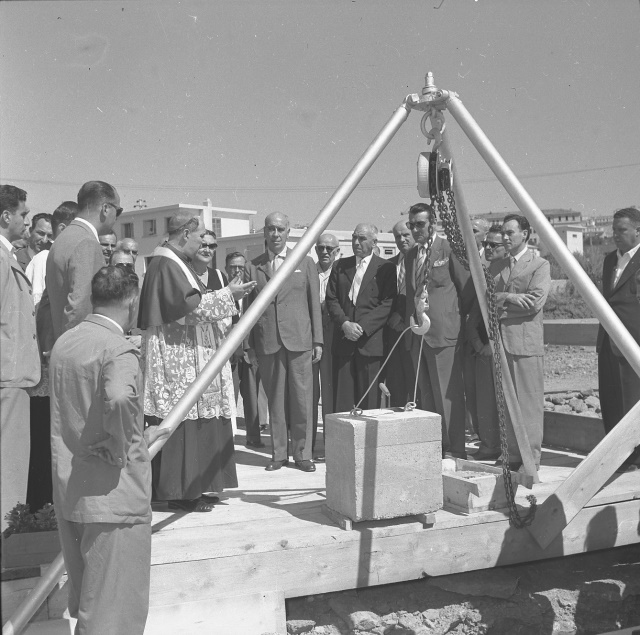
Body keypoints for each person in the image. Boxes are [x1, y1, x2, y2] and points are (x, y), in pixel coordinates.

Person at [50, 265, 168, 634]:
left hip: (73, 492)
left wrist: (127, 433)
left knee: (91, 607)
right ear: (132, 301)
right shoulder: (118, 348)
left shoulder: (66, 342)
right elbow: (118, 397)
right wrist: (121, 443)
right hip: (115, 497)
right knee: (113, 616)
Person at [138, 212, 254, 511]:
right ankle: (182, 492)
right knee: (181, 419)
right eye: (200, 235)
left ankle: (196, 487)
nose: (203, 242)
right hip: (177, 358)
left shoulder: (176, 261)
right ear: (185, 233)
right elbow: (189, 308)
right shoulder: (166, 262)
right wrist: (229, 295)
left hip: (191, 354)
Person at [244, 212, 323, 472]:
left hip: (300, 341)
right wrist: (249, 346)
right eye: (270, 229)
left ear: (288, 232)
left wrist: (318, 340)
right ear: (264, 232)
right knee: (276, 401)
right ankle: (278, 454)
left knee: (302, 400)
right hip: (268, 342)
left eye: (280, 229)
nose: (275, 234)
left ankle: (303, 453)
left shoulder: (305, 262)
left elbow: (314, 304)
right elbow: (248, 310)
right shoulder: (253, 266)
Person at [404, 203, 473, 459]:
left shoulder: (449, 247)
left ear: (432, 223)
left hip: (444, 333)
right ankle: (436, 446)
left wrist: (453, 320)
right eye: (411, 225)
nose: (415, 230)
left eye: (420, 224)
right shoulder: (412, 255)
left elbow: (467, 290)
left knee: (447, 393)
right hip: (419, 334)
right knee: (426, 395)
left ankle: (455, 449)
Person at [24, 201, 78, 513]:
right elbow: (39, 309)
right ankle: (41, 501)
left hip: (52, 357)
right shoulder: (46, 258)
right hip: (46, 362)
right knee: (44, 431)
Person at [490, 213, 550, 470]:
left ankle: (531, 458)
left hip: (525, 343)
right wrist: (510, 297)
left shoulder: (539, 265)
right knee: (506, 400)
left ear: (524, 234)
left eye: (510, 232)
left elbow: (534, 302)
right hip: (500, 342)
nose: (505, 237)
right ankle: (513, 454)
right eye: (503, 233)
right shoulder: (497, 266)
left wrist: (501, 302)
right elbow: (487, 298)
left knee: (529, 402)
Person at [0, 185, 40, 531]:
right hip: (7, 377)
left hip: (11, 374)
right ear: (5, 216)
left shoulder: (8, 256)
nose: (27, 222)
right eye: (23, 214)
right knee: (8, 472)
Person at [326, 223, 396, 412]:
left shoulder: (386, 268)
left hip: (370, 345)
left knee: (370, 402)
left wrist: (362, 327)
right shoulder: (340, 266)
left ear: (374, 242)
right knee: (342, 402)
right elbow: (331, 298)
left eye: (362, 238)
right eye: (354, 237)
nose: (356, 242)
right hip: (344, 342)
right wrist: (345, 324)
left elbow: (388, 303)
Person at [47, 181, 122, 342]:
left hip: (61, 341)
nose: (117, 217)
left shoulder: (62, 239)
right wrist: (72, 347)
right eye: (118, 210)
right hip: (81, 345)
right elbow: (80, 307)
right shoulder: (87, 242)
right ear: (105, 209)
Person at [597, 207, 640, 472]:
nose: (615, 235)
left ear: (638, 230)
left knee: (633, 400)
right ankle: (616, 457)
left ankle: (634, 458)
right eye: (613, 230)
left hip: (634, 342)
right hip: (608, 339)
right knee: (611, 398)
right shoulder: (609, 260)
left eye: (621, 230)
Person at [465, 226, 507, 460]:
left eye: (494, 245)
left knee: (501, 400)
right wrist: (477, 341)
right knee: (483, 401)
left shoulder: (508, 273)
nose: (488, 248)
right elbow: (475, 311)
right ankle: (489, 444)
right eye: (486, 244)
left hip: (500, 346)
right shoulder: (483, 272)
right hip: (481, 346)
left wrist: (492, 344)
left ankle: (504, 448)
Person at [226, 251, 266, 449]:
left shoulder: (252, 291)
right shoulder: (222, 292)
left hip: (249, 351)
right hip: (229, 354)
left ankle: (253, 437)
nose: (237, 270)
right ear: (226, 269)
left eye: (241, 267)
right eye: (233, 266)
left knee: (252, 397)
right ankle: (227, 440)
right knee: (229, 397)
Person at [312, 233, 340, 458]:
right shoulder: (308, 271)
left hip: (333, 336)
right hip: (310, 336)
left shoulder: (341, 271)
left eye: (329, 248)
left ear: (337, 251)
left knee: (330, 391)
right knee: (310, 393)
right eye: (320, 248)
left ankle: (331, 442)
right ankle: (308, 445)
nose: (324, 252)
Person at [384, 219, 416, 407]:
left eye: (406, 235)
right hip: (393, 332)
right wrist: (392, 317)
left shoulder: (422, 260)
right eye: (397, 236)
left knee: (416, 385)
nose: (401, 239)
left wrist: (403, 316)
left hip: (414, 331)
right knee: (396, 384)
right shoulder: (388, 264)